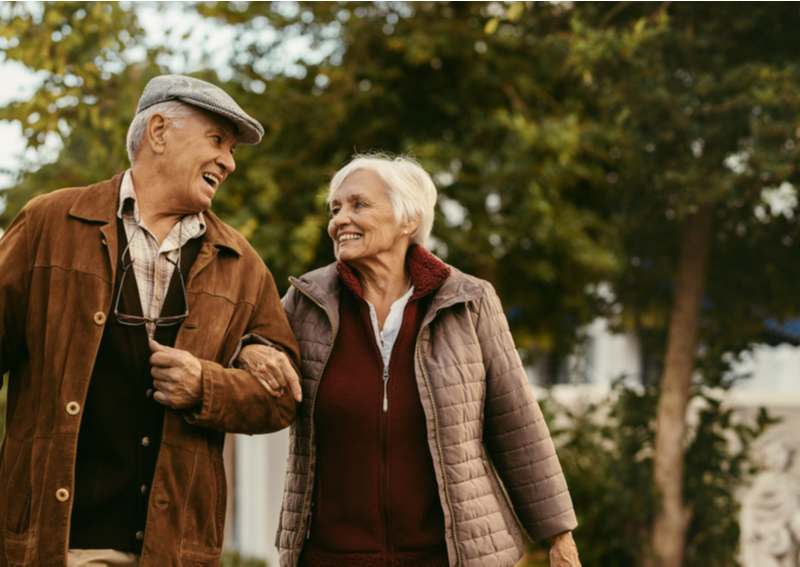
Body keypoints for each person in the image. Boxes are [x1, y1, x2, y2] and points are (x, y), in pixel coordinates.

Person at [0, 74, 302, 567]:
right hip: (55, 547)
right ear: (159, 132)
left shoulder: (241, 263)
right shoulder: (48, 224)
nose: (229, 161)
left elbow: (282, 399)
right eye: (217, 141)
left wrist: (207, 386)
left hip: (173, 554)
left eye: (231, 150)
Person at [249, 154, 581, 566]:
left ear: (409, 220)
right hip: (330, 555)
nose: (339, 220)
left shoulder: (469, 301)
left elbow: (515, 422)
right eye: (335, 209)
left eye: (358, 205)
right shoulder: (306, 301)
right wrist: (250, 350)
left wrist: (558, 535)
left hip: (447, 556)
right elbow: (257, 348)